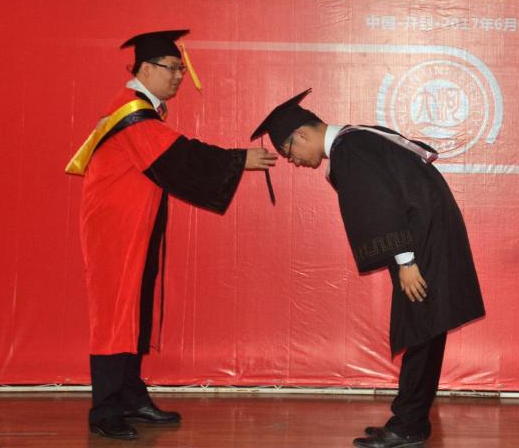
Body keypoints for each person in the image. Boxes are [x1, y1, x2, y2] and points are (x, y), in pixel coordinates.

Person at [66, 30, 276, 440]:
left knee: (133, 311)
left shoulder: (143, 109)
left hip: (131, 225)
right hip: (115, 230)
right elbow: (179, 156)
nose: (179, 75)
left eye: (181, 68)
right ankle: (105, 409)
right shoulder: (132, 112)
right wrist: (238, 160)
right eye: (173, 68)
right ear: (146, 69)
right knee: (114, 315)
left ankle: (130, 396)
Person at [251, 89, 485, 448]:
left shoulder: (350, 150)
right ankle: (409, 420)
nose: (294, 161)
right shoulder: (358, 138)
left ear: (301, 134)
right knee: (426, 329)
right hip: (427, 235)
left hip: (419, 244)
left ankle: (408, 425)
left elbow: (381, 205)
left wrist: (406, 261)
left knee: (421, 330)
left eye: (289, 152)